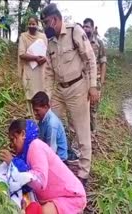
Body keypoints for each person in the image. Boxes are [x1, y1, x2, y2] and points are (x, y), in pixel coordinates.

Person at [40, 3, 99, 186]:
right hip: (59, 90)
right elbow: (49, 71)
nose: (44, 26)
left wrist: (93, 86)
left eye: (46, 22)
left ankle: (83, 173)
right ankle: (55, 162)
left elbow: (90, 59)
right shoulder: (50, 42)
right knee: (50, 124)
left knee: (82, 131)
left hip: (78, 88)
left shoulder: (74, 32)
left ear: (55, 20)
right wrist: (46, 97)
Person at [0, 119, 86, 214]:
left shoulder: (36, 146)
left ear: (23, 134)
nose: (11, 145)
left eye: (13, 139)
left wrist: (13, 163)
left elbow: (40, 181)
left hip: (70, 197)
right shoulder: (26, 153)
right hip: (51, 198)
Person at [18, 15, 48, 117]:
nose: (31, 26)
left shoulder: (43, 37)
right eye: (30, 24)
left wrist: (44, 58)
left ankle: (41, 118)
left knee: (41, 96)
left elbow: (47, 53)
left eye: (33, 24)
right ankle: (31, 118)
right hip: (28, 72)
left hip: (41, 72)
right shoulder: (23, 37)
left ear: (37, 24)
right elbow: (21, 54)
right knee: (30, 97)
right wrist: (35, 58)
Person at [83, 18, 107, 139]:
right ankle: (84, 132)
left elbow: (103, 62)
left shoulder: (98, 43)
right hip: (82, 80)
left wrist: (101, 81)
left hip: (95, 80)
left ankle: (93, 133)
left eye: (87, 27)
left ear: (93, 28)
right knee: (83, 107)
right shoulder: (80, 41)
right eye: (84, 26)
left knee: (93, 108)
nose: (85, 29)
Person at [31, 91, 68, 161]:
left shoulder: (51, 124)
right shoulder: (43, 119)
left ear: (46, 107)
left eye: (37, 110)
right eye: (33, 110)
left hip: (59, 160)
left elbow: (51, 150)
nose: (34, 113)